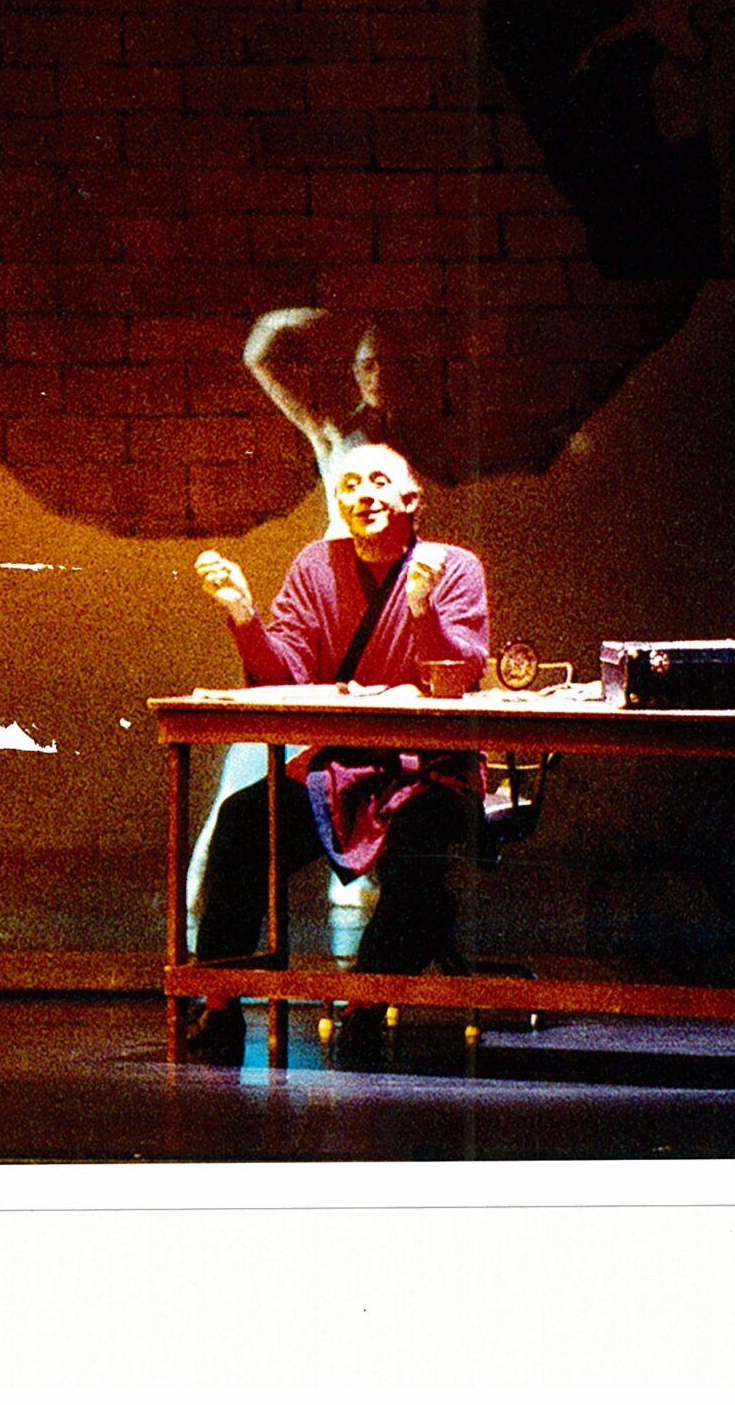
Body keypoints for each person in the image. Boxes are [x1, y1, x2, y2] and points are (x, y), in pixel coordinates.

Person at [183, 442, 490, 1063]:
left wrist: (423, 610)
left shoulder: (453, 567)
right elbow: (283, 679)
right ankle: (219, 1001)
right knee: (244, 823)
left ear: (411, 498)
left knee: (419, 848)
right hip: (340, 768)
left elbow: (458, 675)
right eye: (350, 484)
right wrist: (244, 618)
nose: (363, 494)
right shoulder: (315, 566)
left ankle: (364, 1006)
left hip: (429, 769)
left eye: (379, 481)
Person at [241, 306, 391, 540]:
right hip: (344, 555)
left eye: (387, 364)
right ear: (356, 372)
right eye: (368, 366)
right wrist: (285, 319)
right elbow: (256, 360)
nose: (378, 377)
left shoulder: (419, 433)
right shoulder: (334, 431)